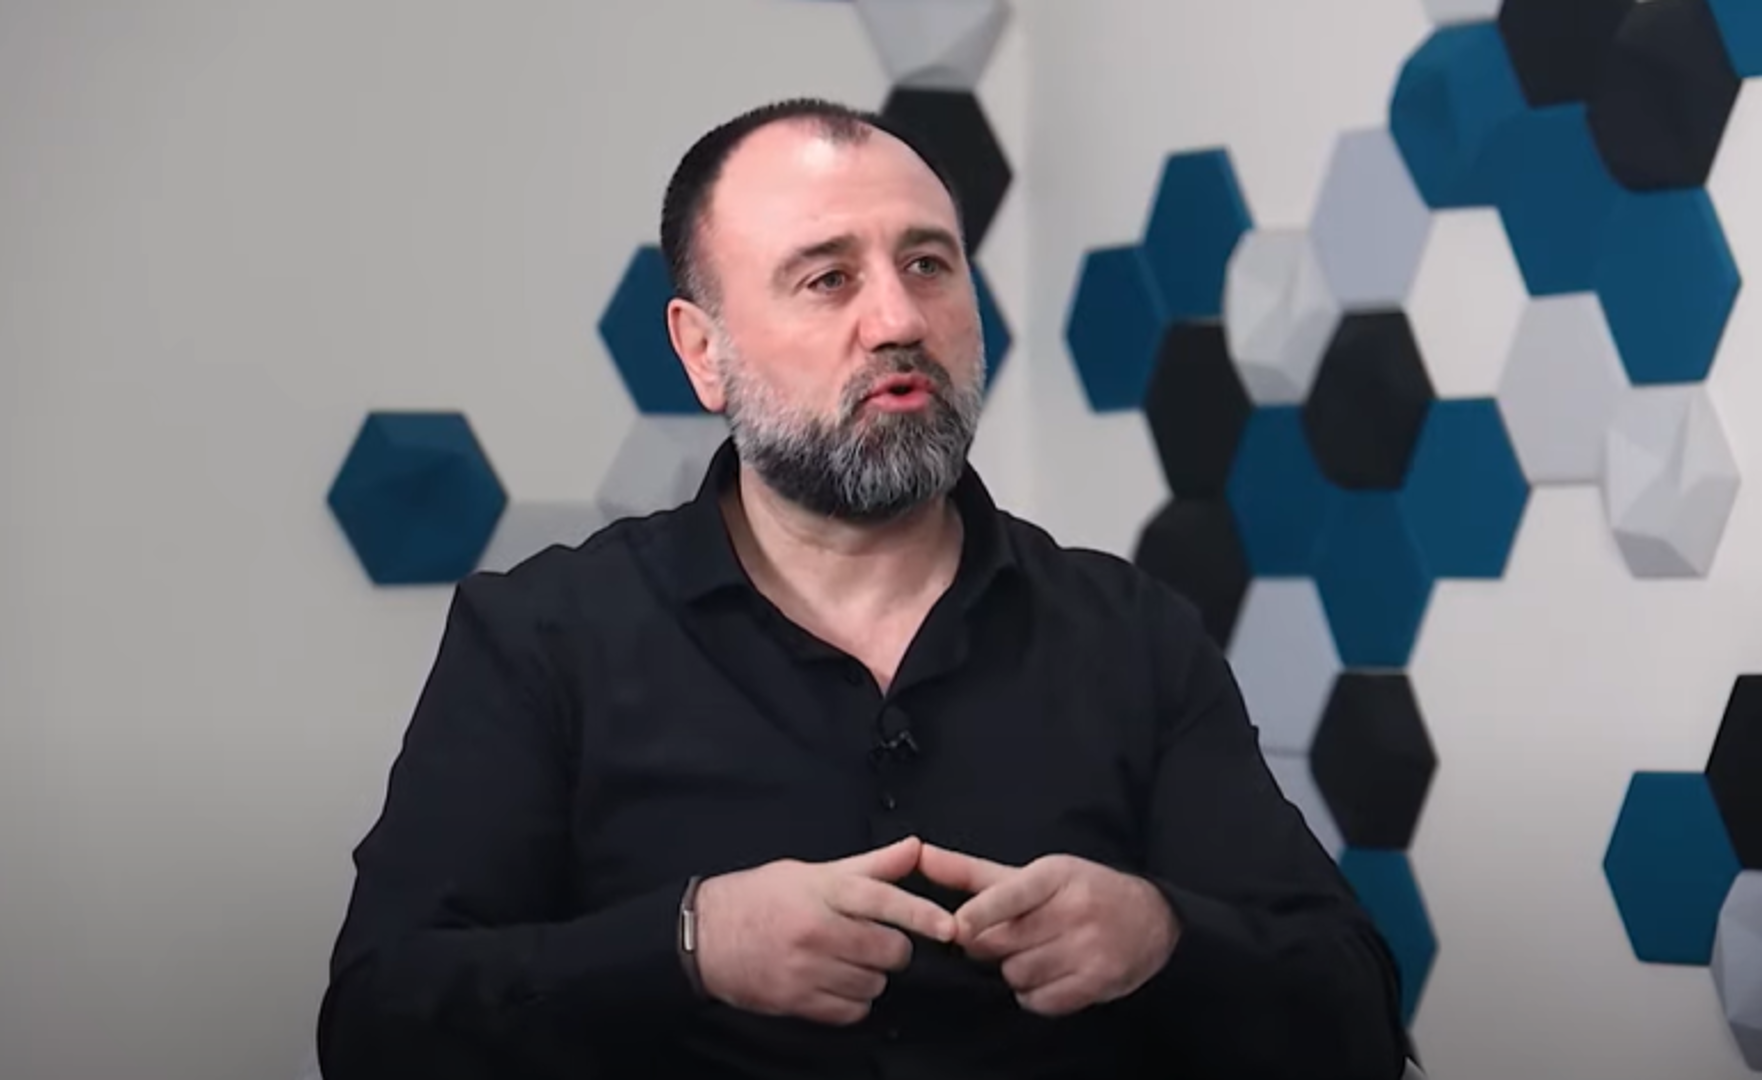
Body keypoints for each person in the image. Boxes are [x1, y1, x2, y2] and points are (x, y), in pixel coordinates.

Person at [315, 97, 1412, 1079]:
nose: (898, 320)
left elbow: (1355, 1014)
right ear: (702, 352)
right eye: (828, 277)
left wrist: (1165, 939)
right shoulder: (540, 640)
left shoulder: (1133, 637)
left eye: (928, 264)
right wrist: (687, 945)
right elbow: (377, 1026)